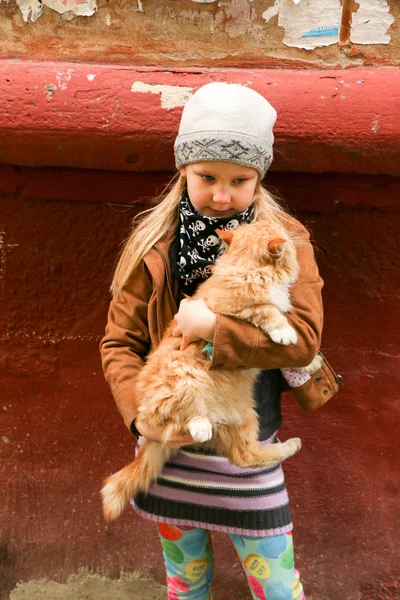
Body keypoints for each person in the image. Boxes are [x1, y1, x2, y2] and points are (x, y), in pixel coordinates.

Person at [100, 82, 324, 600]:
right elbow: (118, 343)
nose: (222, 196)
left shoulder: (284, 241)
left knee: (276, 582)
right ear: (183, 170)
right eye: (206, 178)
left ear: (259, 179)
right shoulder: (157, 244)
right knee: (184, 579)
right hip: (171, 442)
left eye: (239, 180)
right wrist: (141, 418)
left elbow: (304, 341)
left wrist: (215, 331)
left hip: (248, 440)